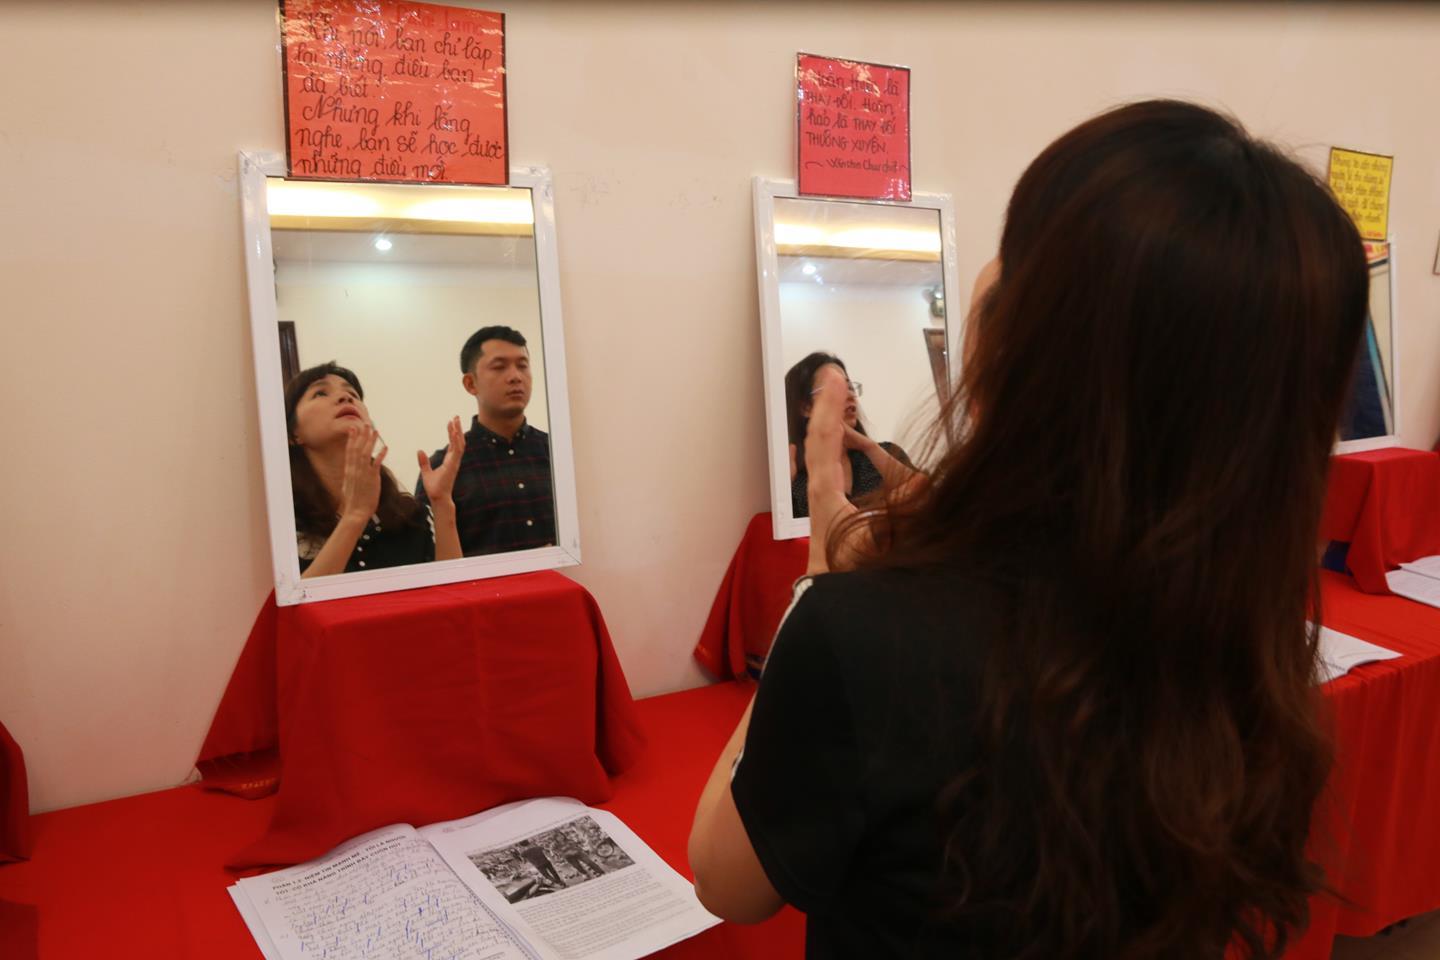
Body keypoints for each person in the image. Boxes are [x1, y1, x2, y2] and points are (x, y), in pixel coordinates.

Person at [689, 99, 1369, 960]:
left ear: (1024, 347)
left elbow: (725, 877)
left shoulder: (864, 633)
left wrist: (821, 576)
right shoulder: (1242, 632)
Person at [286, 362, 465, 576]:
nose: (345, 397)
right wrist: (354, 516)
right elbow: (299, 596)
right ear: (293, 434)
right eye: (320, 393)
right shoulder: (282, 524)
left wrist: (442, 502)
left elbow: (451, 588)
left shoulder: (408, 514)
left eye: (353, 394)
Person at [417, 325, 555, 555]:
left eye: (523, 366)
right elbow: (429, 559)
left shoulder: (558, 452)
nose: (515, 377)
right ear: (470, 384)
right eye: (499, 367)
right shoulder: (442, 468)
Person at [784, 352, 916, 519]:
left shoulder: (885, 453)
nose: (850, 395)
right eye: (835, 389)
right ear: (806, 408)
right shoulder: (796, 479)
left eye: (850, 387)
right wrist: (785, 485)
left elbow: (926, 500)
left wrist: (869, 447)